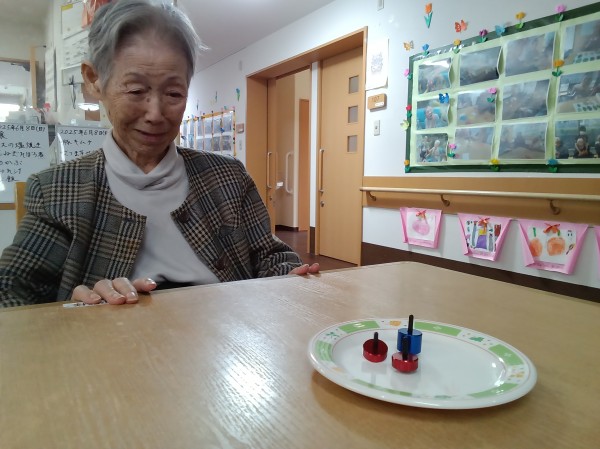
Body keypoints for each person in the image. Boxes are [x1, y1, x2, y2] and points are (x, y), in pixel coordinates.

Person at [0, 0, 318, 308]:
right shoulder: (57, 191)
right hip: (113, 343)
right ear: (94, 80)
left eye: (173, 93)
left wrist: (289, 278)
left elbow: (270, 256)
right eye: (136, 90)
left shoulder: (228, 177)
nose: (155, 113)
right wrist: (74, 312)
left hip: (226, 337)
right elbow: (10, 289)